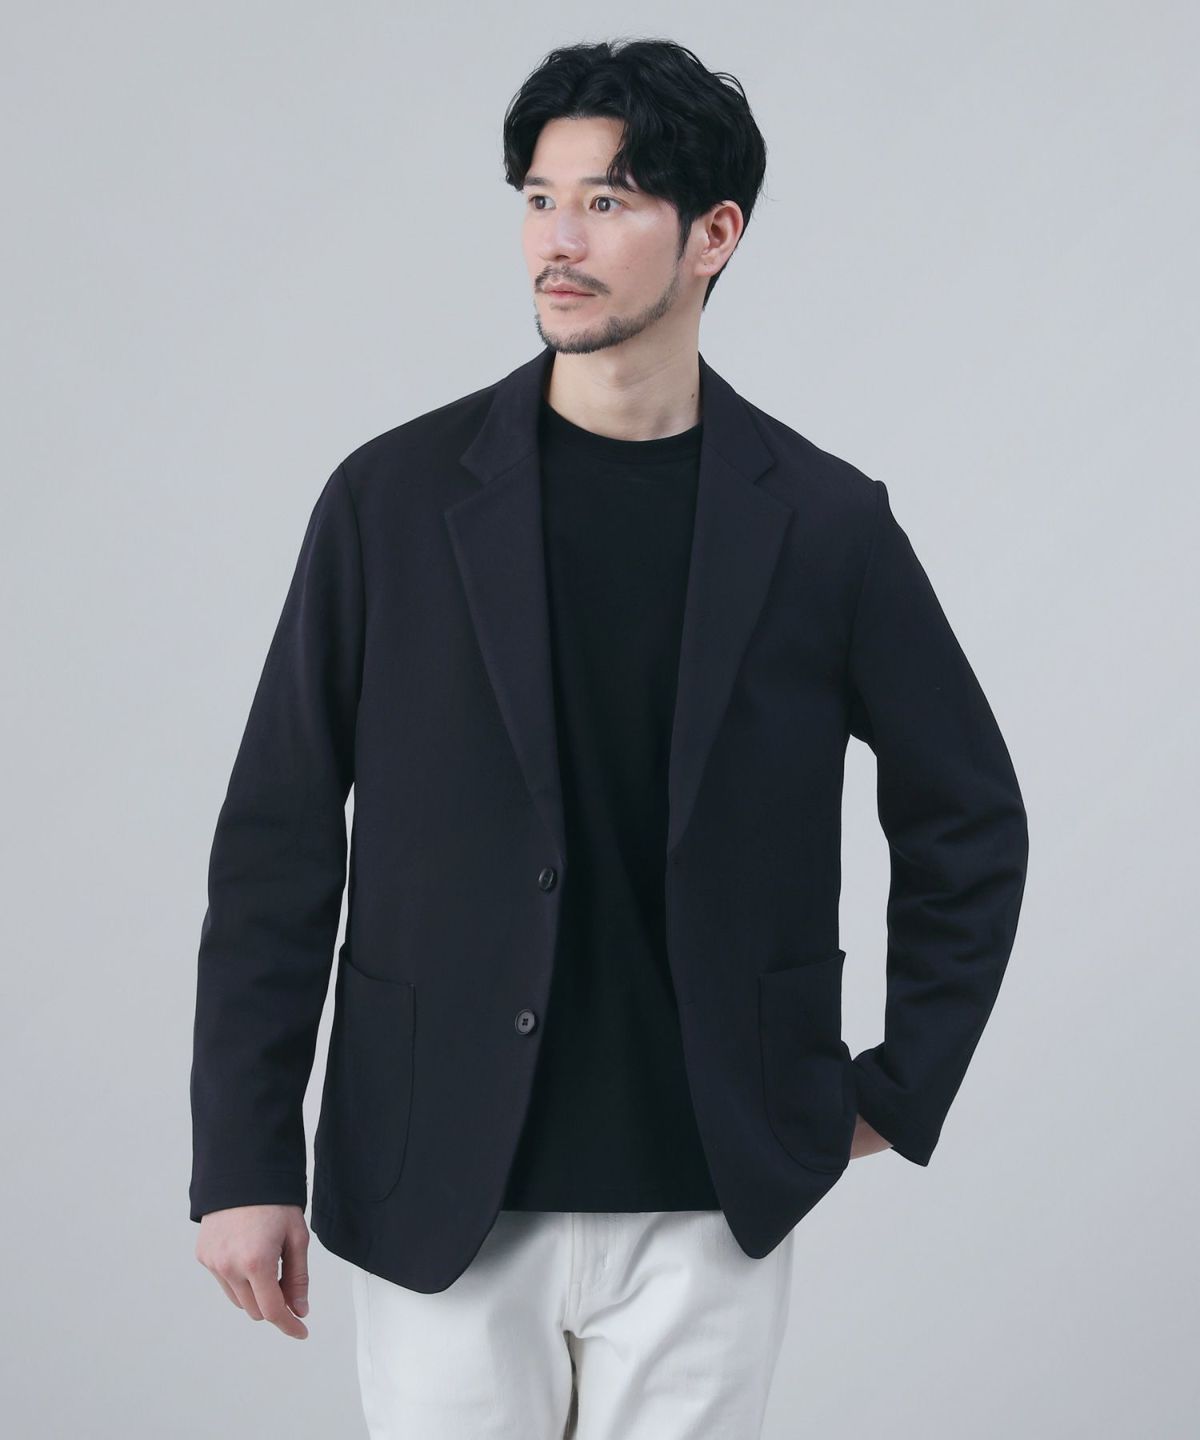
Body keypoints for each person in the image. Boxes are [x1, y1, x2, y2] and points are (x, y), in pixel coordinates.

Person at [190, 37, 1029, 1440]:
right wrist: (242, 1157)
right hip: (440, 1177)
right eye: (539, 198)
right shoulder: (391, 503)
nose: (557, 241)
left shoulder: (824, 522)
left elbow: (969, 818)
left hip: (712, 1191)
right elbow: (275, 841)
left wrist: (896, 1087)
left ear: (714, 235)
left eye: (607, 201)